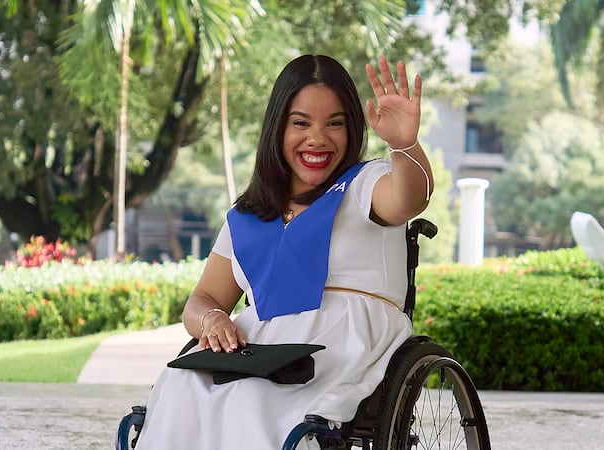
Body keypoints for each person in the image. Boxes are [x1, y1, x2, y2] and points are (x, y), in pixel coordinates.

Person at [134, 53, 433, 449]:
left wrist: (404, 144)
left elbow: (408, 200)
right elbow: (202, 299)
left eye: (335, 123)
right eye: (301, 123)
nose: (318, 138)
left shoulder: (365, 183)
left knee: (249, 399)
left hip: (337, 347)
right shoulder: (248, 215)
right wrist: (212, 319)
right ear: (278, 127)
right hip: (259, 351)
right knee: (180, 385)